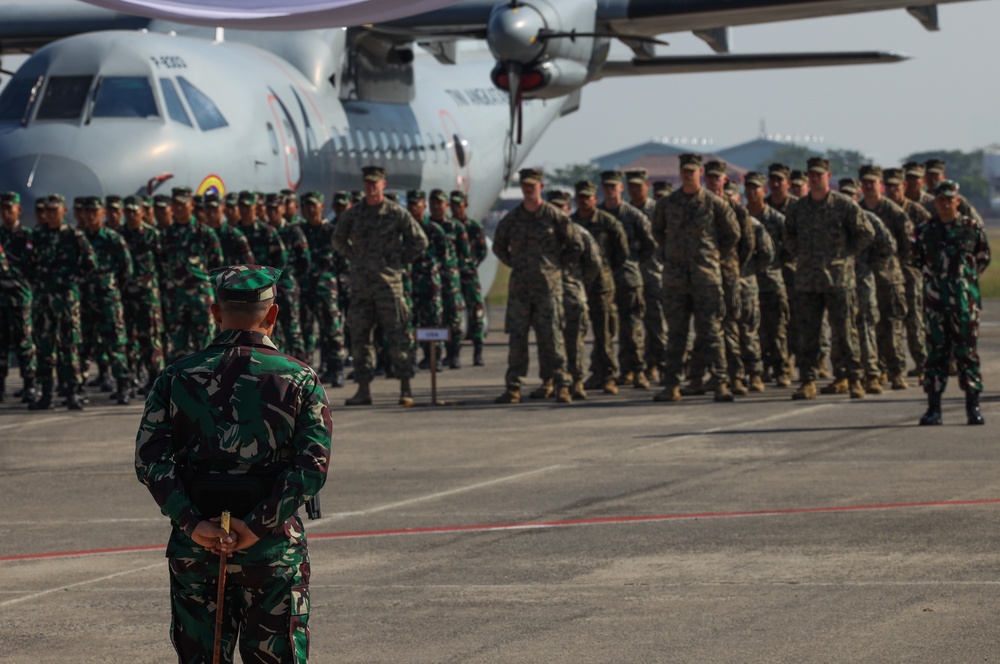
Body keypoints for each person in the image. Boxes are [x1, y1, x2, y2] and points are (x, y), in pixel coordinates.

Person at [135, 264, 332, 663]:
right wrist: (257, 526)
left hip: (197, 549)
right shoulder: (299, 378)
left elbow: (150, 460)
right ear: (273, 314)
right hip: (272, 550)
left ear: (215, 313)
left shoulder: (177, 377)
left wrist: (194, 523)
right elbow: (311, 466)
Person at [332, 166, 428, 406]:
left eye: (375, 183)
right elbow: (337, 239)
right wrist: (354, 257)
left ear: (383, 184)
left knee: (398, 337)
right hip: (362, 287)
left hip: (389, 286)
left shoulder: (396, 213)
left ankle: (405, 387)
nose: (371, 187)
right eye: (367, 183)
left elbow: (420, 241)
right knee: (361, 339)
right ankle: (363, 390)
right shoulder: (354, 215)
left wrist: (398, 261)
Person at [651, 153, 741, 403]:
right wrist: (671, 254)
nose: (688, 175)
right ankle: (672, 385)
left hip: (706, 278)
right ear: (680, 173)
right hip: (676, 280)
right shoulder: (667, 204)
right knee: (677, 334)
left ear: (700, 173)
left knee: (712, 331)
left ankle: (721, 383)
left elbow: (732, 236)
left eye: (692, 171)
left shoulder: (714, 204)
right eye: (685, 171)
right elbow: (657, 232)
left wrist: (710, 257)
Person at [785, 158, 874, 400]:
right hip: (807, 281)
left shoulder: (844, 205)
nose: (815, 179)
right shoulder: (798, 208)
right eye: (811, 175)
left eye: (819, 174)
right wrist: (802, 256)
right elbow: (788, 236)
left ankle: (853, 379)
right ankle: (808, 381)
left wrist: (845, 256)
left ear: (828, 176)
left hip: (838, 280)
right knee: (808, 333)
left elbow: (866, 233)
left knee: (845, 332)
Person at [492, 167, 581, 404]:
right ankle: (514, 387)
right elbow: (498, 246)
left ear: (541, 187)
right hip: (520, 289)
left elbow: (575, 245)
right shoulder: (512, 219)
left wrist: (555, 267)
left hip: (548, 289)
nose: (529, 189)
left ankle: (562, 383)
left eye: (533, 185)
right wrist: (516, 264)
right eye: (525, 185)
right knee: (517, 339)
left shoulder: (554, 216)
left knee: (552, 337)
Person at [914, 180, 991, 425]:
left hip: (964, 304)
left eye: (950, 199)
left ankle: (973, 407)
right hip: (936, 304)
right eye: (941, 200)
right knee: (936, 355)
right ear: (934, 202)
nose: (946, 204)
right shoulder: (925, 230)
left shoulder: (971, 228)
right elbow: (916, 260)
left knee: (967, 354)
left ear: (958, 201)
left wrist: (964, 282)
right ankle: (934, 409)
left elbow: (982, 257)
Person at [28, 194, 97, 410]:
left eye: (54, 210)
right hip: (43, 301)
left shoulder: (74, 235)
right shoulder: (36, 236)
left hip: (67, 300)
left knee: (70, 347)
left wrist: (72, 281)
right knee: (44, 347)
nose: (49, 214)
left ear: (63, 211)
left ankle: (72, 393)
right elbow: (27, 263)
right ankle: (46, 393)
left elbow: (90, 262)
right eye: (46, 211)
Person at [598, 171, 657, 389]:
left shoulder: (633, 215)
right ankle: (608, 373)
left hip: (628, 279)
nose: (610, 190)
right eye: (607, 187)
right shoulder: (597, 215)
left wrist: (632, 263)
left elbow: (650, 244)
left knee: (632, 329)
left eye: (614, 186)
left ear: (620, 188)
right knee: (604, 329)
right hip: (602, 281)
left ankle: (637, 371)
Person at [572, 180, 628, 394]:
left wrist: (605, 271)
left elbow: (621, 253)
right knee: (575, 334)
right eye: (581, 197)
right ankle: (579, 376)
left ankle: (608, 377)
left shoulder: (608, 222)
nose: (584, 201)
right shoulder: (570, 224)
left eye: (588, 197)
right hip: (579, 286)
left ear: (595, 199)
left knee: (604, 334)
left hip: (602, 287)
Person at [77, 195, 135, 404]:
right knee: (83, 346)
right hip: (84, 301)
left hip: (108, 301)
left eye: (95, 211)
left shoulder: (113, 239)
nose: (91, 216)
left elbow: (126, 269)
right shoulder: (78, 238)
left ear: (102, 213)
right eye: (88, 212)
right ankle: (78, 388)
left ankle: (123, 386)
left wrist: (110, 287)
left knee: (116, 345)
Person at [884, 167, 932, 377]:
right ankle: (890, 366)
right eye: (889, 186)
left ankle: (922, 364)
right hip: (885, 275)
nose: (892, 189)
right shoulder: (880, 210)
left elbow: (931, 239)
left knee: (914, 321)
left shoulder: (917, 212)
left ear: (903, 186)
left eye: (896, 185)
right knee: (888, 322)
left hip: (911, 274)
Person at [745, 173, 791, 387]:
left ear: (764, 191)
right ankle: (759, 370)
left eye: (757, 188)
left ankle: (782, 369)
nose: (752, 192)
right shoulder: (741, 217)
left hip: (773, 282)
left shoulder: (777, 219)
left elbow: (791, 248)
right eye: (749, 188)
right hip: (748, 284)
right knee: (753, 330)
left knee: (777, 329)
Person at [118, 195, 166, 395]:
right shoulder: (119, 235)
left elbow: (163, 266)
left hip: (148, 298)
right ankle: (128, 380)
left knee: (151, 339)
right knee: (126, 339)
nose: (130, 216)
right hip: (126, 296)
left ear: (142, 213)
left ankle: (155, 379)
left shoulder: (153, 236)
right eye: (127, 212)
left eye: (134, 212)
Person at [0, 191, 37, 403]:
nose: (6, 212)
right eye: (3, 208)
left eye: (10, 208)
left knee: (24, 342)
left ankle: (30, 385)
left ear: (18, 210)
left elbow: (30, 266)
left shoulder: (26, 237)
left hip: (19, 297)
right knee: (1, 345)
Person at [450, 190, 489, 366]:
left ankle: (478, 352)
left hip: (469, 275)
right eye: (453, 205)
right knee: (453, 315)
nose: (455, 208)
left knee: (476, 312)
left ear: (465, 205)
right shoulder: (447, 226)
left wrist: (470, 264)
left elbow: (482, 250)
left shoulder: (474, 227)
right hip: (451, 277)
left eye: (459, 204)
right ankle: (454, 353)